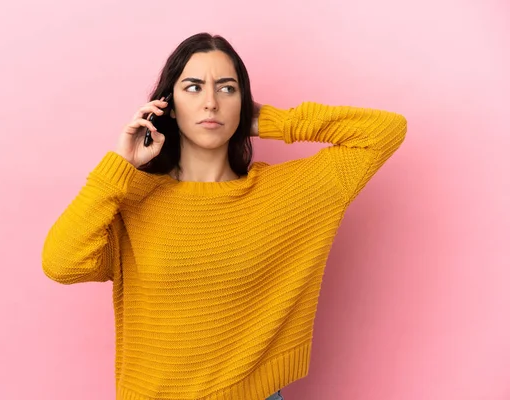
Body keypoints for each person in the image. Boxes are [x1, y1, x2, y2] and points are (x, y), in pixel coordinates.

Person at [41, 32, 407, 400]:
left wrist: (270, 121)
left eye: (227, 89)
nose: (211, 103)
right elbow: (61, 263)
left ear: (243, 103)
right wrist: (121, 166)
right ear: (167, 104)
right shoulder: (135, 198)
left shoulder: (289, 194)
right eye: (194, 87)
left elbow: (385, 131)